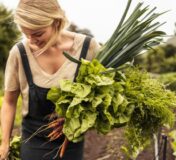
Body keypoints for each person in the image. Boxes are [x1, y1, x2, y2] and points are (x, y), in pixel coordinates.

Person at [0, 0, 100, 159]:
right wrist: (4, 143)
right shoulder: (19, 53)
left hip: (71, 144)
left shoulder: (88, 48)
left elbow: (101, 94)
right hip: (33, 142)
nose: (31, 40)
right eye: (26, 34)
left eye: (38, 33)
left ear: (56, 22)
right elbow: (9, 101)